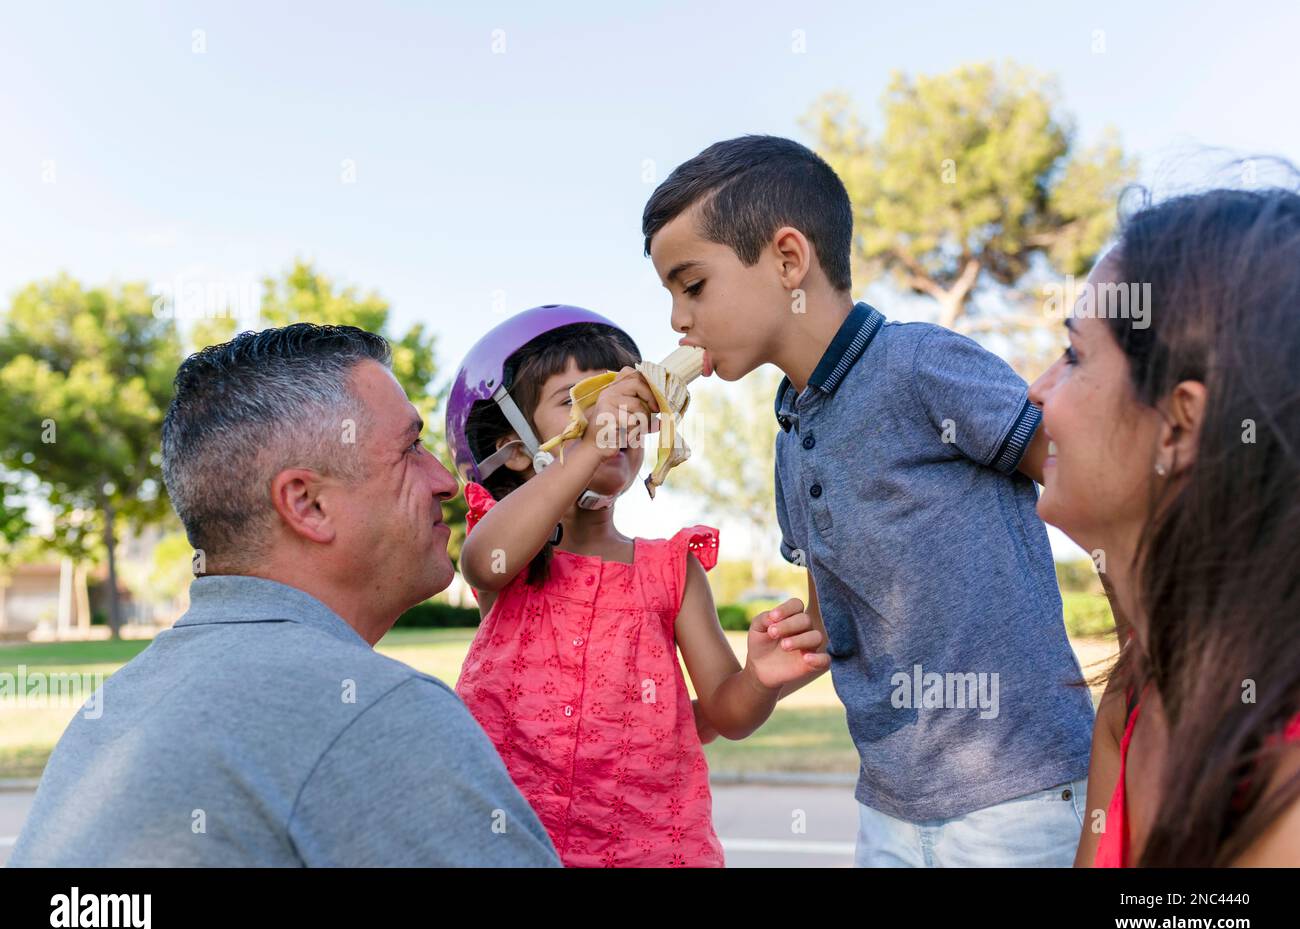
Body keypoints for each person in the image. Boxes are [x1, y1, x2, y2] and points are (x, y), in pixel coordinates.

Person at [643, 135, 1095, 867]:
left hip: (1020, 796)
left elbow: (1082, 478)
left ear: (789, 260)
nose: (675, 321)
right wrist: (779, 653)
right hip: (886, 807)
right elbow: (837, 616)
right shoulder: (792, 431)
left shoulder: (920, 364)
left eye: (691, 286)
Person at [10, 323, 559, 867]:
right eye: (411, 448)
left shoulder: (116, 709)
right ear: (307, 505)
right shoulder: (376, 712)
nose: (445, 480)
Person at [444, 304, 828, 866]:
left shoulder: (673, 569)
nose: (611, 416)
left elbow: (726, 714)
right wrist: (591, 445)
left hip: (649, 849)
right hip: (511, 844)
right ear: (518, 448)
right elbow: (485, 564)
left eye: (623, 399)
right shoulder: (511, 553)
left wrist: (761, 680)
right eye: (580, 400)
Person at [1028, 183, 1300, 866]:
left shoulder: (1283, 794)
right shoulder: (1138, 693)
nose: (1038, 390)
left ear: (1179, 423)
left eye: (1075, 356)